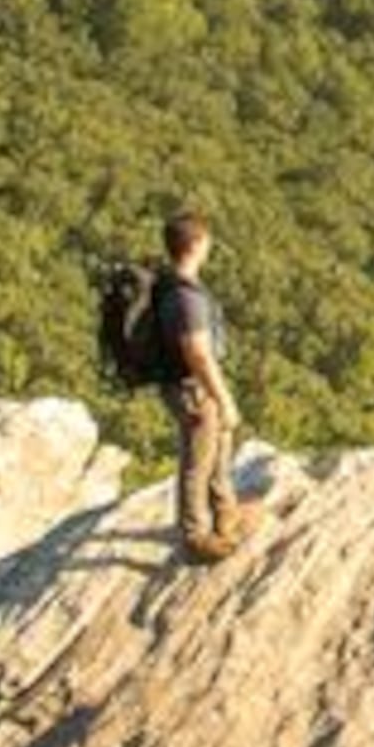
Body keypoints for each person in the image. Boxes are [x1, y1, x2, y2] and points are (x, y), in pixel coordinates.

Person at [156, 210, 244, 561]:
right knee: (199, 461)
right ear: (196, 245)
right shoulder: (186, 297)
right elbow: (198, 353)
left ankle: (226, 514)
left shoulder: (172, 285)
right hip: (194, 389)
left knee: (218, 447)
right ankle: (195, 536)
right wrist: (223, 398)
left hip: (190, 385)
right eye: (206, 241)